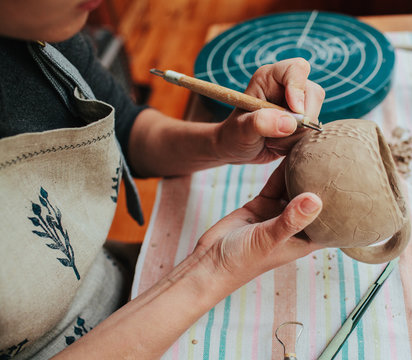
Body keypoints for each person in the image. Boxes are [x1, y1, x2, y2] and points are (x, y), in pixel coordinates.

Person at [0, 0, 326, 358]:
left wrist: (225, 141)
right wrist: (213, 269)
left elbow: (126, 129)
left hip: (114, 281)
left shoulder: (35, 30)